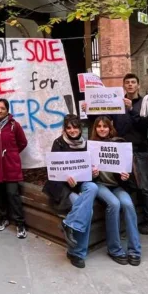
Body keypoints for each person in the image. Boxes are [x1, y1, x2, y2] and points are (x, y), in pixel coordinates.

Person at [45, 114, 99, 268]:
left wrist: (94, 173)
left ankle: (69, 223)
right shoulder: (58, 143)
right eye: (69, 127)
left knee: (93, 187)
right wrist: (65, 178)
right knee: (87, 211)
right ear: (64, 129)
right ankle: (76, 253)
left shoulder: (87, 144)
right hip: (63, 188)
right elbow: (53, 171)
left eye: (75, 127)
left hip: (81, 184)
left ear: (80, 128)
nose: (72, 130)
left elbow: (89, 169)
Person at [89, 116, 142, 266]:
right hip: (100, 184)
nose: (102, 129)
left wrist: (126, 176)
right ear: (95, 128)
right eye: (99, 126)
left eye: (105, 126)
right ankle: (114, 249)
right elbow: (84, 171)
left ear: (110, 127)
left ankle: (135, 250)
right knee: (114, 204)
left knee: (128, 205)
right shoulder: (91, 146)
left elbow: (127, 169)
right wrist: (91, 174)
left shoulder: (119, 143)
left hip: (117, 185)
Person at [112, 73, 148, 234]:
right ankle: (128, 219)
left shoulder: (145, 102)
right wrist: (88, 110)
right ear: (124, 85)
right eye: (127, 82)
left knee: (144, 187)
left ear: (138, 85)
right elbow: (104, 117)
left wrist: (131, 110)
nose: (130, 85)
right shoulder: (117, 102)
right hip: (121, 150)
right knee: (125, 185)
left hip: (139, 150)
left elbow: (146, 124)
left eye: (133, 82)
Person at [0, 98, 29, 239]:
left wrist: (12, 154)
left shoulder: (14, 125)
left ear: (7, 111)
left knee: (12, 194)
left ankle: (20, 224)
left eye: (3, 108)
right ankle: (3, 218)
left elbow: (22, 142)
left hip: (11, 165)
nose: (0, 110)